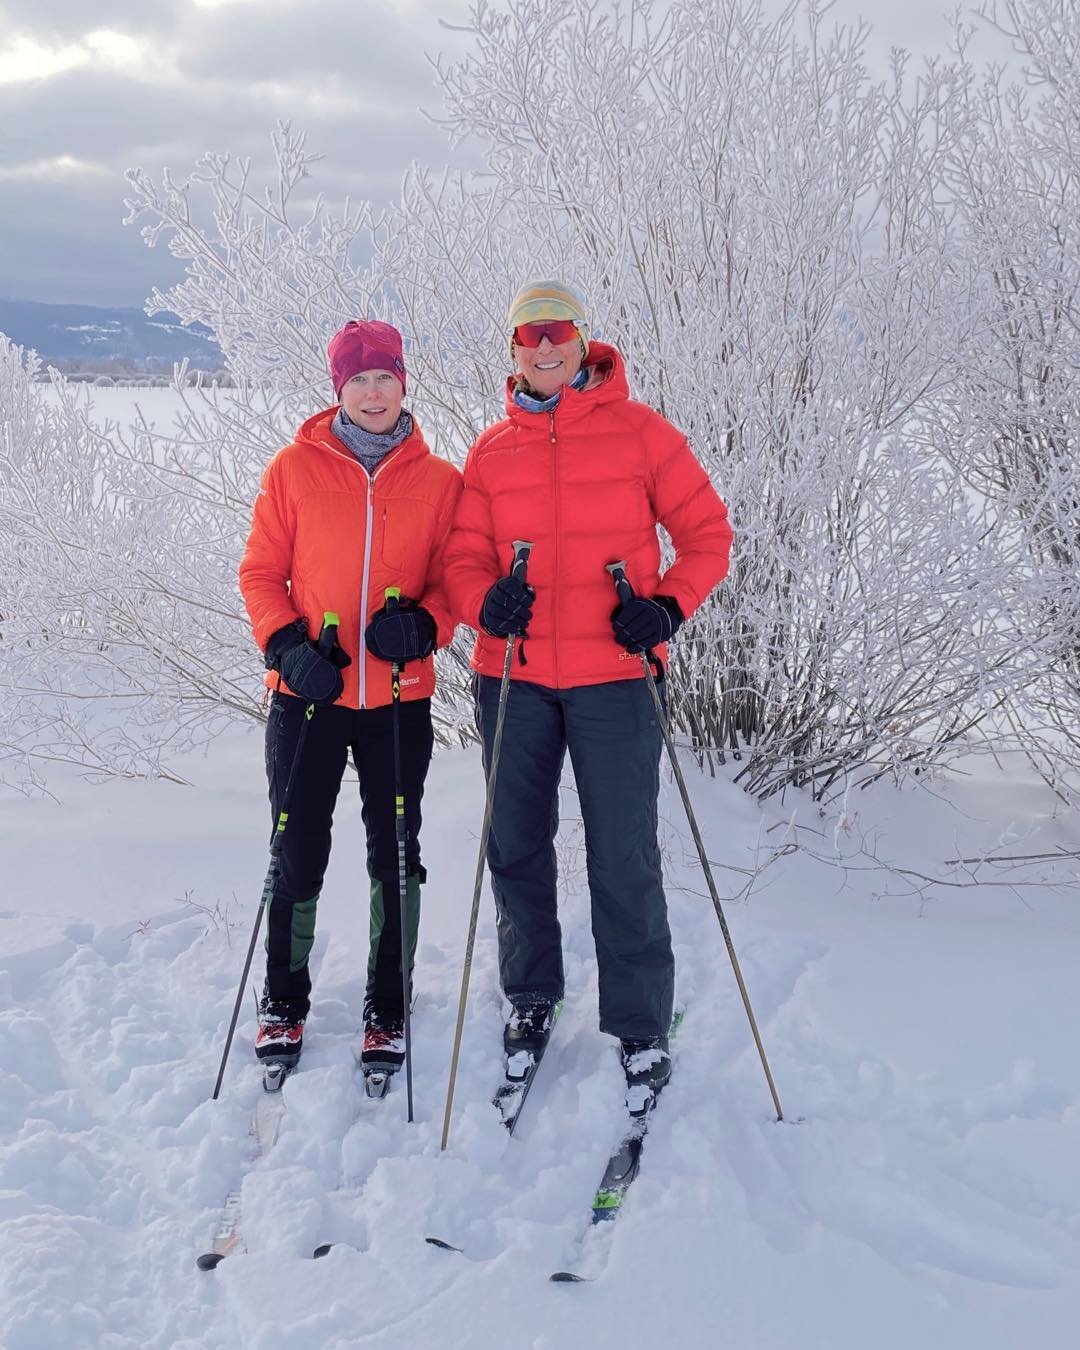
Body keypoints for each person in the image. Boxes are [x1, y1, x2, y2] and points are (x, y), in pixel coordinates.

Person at [443, 280, 733, 1097]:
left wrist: (667, 606)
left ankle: (641, 1022)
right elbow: (463, 560)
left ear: (582, 341)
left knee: (623, 856)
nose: (544, 347)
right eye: (528, 336)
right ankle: (531, 997)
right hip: (515, 679)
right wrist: (481, 602)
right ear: (512, 352)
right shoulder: (490, 453)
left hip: (617, 679)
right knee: (517, 849)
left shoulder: (642, 434)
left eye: (557, 332)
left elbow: (709, 535)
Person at [238, 319, 462, 1077]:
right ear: (339, 388)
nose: (373, 393)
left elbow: (455, 580)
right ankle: (283, 999)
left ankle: (388, 1005)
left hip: (398, 699)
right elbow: (260, 574)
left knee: (395, 853)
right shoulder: (293, 470)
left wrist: (427, 623)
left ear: (405, 384)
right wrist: (286, 649)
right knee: (295, 849)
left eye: (385, 378)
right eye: (359, 380)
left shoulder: (439, 481)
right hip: (308, 696)